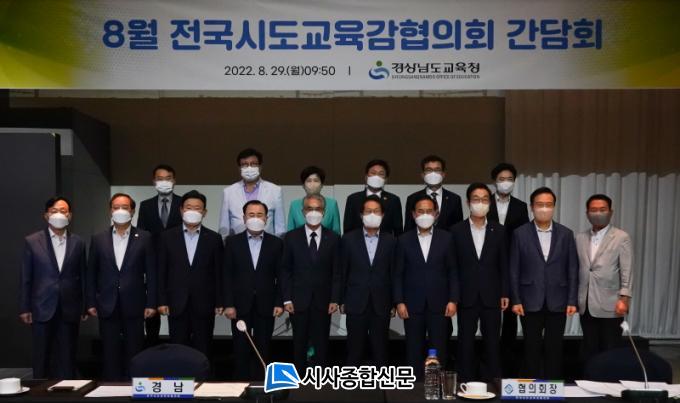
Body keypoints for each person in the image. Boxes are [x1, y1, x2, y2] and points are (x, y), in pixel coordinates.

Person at [87, 193, 157, 381]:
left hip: (135, 303)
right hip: (107, 304)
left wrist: (151, 303)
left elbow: (152, 273)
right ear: (110, 211)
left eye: (125, 207)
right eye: (116, 207)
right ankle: (111, 387)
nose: (120, 211)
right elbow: (91, 273)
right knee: (110, 351)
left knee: (134, 350)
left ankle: (133, 386)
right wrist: (91, 301)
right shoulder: (98, 239)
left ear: (132, 211)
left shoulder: (145, 237)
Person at [509, 187, 578, 379]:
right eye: (540, 205)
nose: (544, 209)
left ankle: (553, 385)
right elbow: (514, 269)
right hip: (529, 299)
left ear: (554, 207)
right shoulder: (520, 233)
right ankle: (532, 385)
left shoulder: (566, 234)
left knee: (554, 347)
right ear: (532, 207)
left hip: (558, 299)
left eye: (548, 205)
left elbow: (572, 268)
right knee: (531, 347)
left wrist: (572, 300)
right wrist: (516, 299)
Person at [19, 197, 87, 379]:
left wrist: (84, 306)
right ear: (46, 215)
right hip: (41, 306)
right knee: (41, 355)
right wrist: (25, 307)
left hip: (69, 307)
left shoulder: (78, 242)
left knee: (68, 355)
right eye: (54, 211)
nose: (59, 214)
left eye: (63, 211)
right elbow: (26, 277)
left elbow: (83, 276)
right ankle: (39, 390)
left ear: (70, 215)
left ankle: (69, 389)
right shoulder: (32, 241)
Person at [393, 195, 458, 379]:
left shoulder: (447, 238)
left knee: (439, 347)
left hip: (440, 303)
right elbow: (398, 274)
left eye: (429, 211)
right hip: (412, 304)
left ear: (436, 214)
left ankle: (436, 384)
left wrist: (453, 300)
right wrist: (399, 301)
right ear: (413, 214)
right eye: (420, 211)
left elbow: (453, 271)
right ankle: (414, 385)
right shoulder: (403, 240)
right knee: (413, 347)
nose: (425, 215)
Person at [450, 183, 508, 382]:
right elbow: (453, 267)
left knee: (492, 342)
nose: (480, 203)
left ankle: (493, 381)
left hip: (492, 294)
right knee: (465, 341)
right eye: (476, 199)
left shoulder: (499, 230)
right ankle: (465, 381)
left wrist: (505, 292)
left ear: (490, 203)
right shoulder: (456, 231)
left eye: (484, 199)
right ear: (468, 202)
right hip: (466, 295)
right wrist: (454, 296)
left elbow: (504, 264)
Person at [157, 190, 223, 357]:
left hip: (204, 303)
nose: (192, 211)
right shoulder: (166, 237)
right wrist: (162, 300)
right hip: (176, 303)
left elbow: (218, 272)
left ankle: (203, 375)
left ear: (204, 212)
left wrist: (219, 301)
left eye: (197, 208)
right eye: (188, 207)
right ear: (181, 210)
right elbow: (161, 271)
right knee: (177, 349)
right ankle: (179, 375)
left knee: (204, 348)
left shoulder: (214, 238)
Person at [223, 200, 284, 380]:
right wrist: (228, 304)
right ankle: (241, 384)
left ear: (266, 218)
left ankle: (261, 384)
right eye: (251, 215)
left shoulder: (276, 243)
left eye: (259, 215)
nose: (255, 218)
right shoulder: (232, 242)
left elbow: (281, 276)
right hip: (239, 305)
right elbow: (226, 275)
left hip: (266, 304)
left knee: (263, 347)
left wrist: (279, 302)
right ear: (244, 218)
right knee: (240, 348)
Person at [280, 194, 341, 372]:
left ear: (324, 212)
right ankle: (299, 379)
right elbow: (285, 270)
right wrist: (286, 299)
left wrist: (335, 299)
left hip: (324, 301)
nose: (314, 212)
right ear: (303, 211)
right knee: (299, 343)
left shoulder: (334, 238)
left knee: (322, 344)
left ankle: (320, 380)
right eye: (309, 209)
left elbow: (337, 272)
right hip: (298, 301)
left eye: (318, 209)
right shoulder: (291, 237)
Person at [341, 195, 396, 367]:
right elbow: (342, 272)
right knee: (354, 349)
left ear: (383, 215)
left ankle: (383, 382)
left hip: (382, 302)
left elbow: (394, 274)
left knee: (381, 350)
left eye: (376, 211)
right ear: (361, 215)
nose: (372, 214)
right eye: (368, 211)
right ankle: (351, 381)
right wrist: (341, 300)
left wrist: (394, 302)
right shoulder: (348, 239)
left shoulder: (391, 240)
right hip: (355, 301)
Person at [576, 194, 633, 361]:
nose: (598, 213)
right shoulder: (580, 237)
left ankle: (609, 377)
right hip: (586, 303)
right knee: (589, 348)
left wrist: (624, 298)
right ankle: (590, 375)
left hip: (611, 304)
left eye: (602, 209)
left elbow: (627, 270)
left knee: (610, 348)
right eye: (593, 210)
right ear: (587, 213)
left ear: (610, 212)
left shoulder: (621, 237)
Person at [487, 162, 529, 375]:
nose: (506, 183)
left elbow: (523, 236)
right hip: (489, 264)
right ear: (494, 181)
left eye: (509, 179)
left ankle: (508, 361)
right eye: (501, 179)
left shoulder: (521, 206)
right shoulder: (484, 202)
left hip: (513, 264)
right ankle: (490, 361)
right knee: (490, 316)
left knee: (511, 316)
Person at [137, 164, 183, 346]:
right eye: (160, 178)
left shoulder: (183, 204)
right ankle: (152, 347)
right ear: (154, 181)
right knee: (152, 309)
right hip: (153, 264)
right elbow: (142, 235)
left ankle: (177, 349)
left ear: (174, 180)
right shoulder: (146, 205)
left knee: (176, 310)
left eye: (168, 178)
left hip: (176, 265)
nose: (164, 182)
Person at [218, 148, 285, 238]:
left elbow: (280, 227)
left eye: (253, 164)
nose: (249, 168)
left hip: (267, 243)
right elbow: (224, 227)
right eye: (244, 165)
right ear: (239, 168)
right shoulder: (228, 192)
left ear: (260, 167)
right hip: (238, 243)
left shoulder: (275, 190)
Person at [343, 159, 403, 236]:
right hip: (357, 242)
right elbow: (347, 229)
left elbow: (398, 230)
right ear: (366, 177)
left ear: (386, 179)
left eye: (381, 174)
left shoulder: (394, 200)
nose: (376, 176)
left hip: (385, 242)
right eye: (373, 173)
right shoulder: (353, 199)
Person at [404, 155, 463, 232]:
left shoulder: (454, 199)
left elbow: (459, 229)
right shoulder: (412, 198)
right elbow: (408, 229)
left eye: (437, 170)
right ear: (423, 175)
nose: (433, 173)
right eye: (429, 170)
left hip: (447, 239)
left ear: (443, 174)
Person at [287, 166, 341, 234]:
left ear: (322, 185)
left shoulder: (332, 204)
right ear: (303, 185)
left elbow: (337, 233)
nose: (312, 184)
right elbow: (290, 233)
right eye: (309, 181)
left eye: (316, 181)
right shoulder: (294, 205)